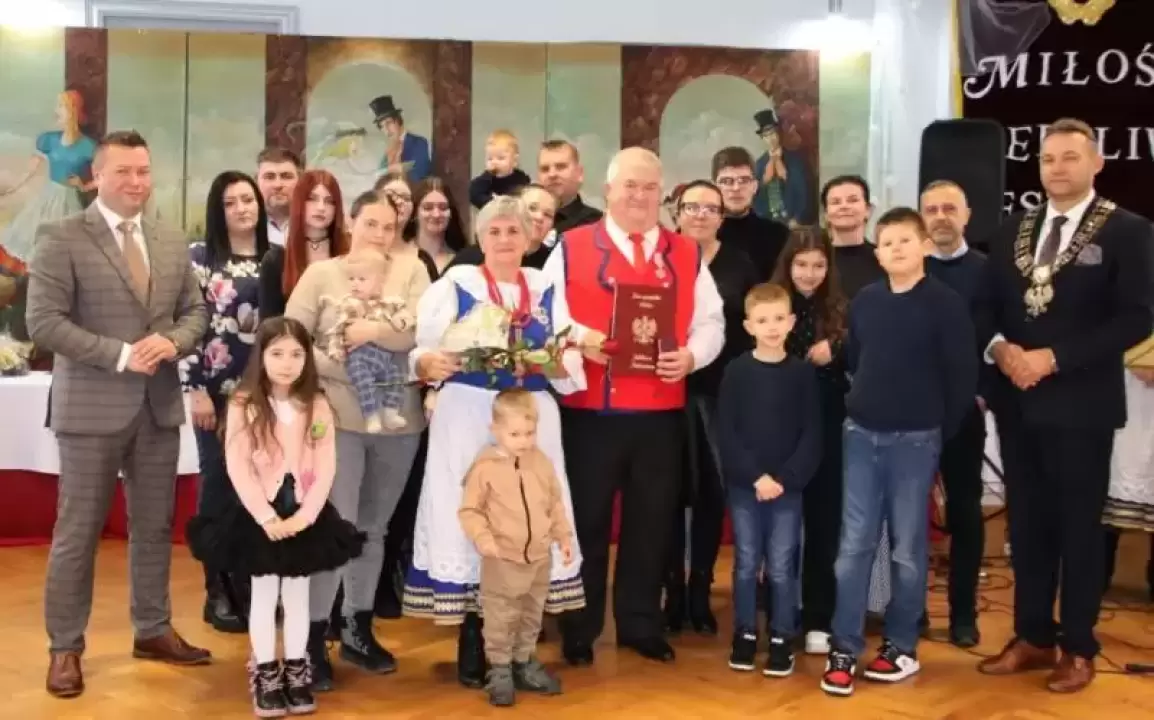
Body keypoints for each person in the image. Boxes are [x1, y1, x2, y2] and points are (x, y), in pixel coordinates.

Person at [25, 130, 211, 698]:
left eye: (144, 171)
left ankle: (152, 629)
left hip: (158, 408)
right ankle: (65, 647)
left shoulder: (170, 239)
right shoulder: (61, 236)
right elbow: (44, 323)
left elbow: (196, 312)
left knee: (153, 527)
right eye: (124, 171)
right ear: (98, 176)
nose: (136, 181)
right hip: (90, 409)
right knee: (77, 532)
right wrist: (122, 354)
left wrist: (173, 342)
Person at [975, 118, 1154, 693]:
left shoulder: (1128, 231)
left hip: (1082, 405)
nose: (1057, 168)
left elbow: (1137, 317)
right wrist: (1000, 350)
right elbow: (987, 305)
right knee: (1027, 527)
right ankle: (1032, 636)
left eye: (1071, 157)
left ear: (1096, 163)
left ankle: (1078, 646)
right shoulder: (1012, 229)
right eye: (1048, 158)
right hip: (1018, 401)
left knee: (1079, 530)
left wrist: (1054, 358)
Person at [544, 147, 726, 665]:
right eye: (630, 185)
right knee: (586, 522)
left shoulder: (685, 252)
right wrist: (582, 338)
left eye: (650, 187)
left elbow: (711, 321)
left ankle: (641, 623)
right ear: (608, 190)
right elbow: (546, 314)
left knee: (652, 522)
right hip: (589, 413)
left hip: (660, 413)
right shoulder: (572, 245)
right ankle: (578, 629)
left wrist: (692, 357)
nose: (640, 196)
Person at [404, 195, 586, 688]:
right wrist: (428, 363)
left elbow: (569, 357)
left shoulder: (545, 286)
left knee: (530, 512)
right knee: (474, 512)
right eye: (495, 231)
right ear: (480, 238)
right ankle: (474, 637)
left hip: (531, 416)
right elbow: (423, 351)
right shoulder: (456, 284)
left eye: (514, 230)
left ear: (529, 238)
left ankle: (521, 647)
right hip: (468, 414)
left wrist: (554, 362)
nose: (505, 239)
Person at [821, 207, 976, 697]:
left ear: (925, 245)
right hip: (861, 435)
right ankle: (844, 646)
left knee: (908, 549)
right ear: (878, 253)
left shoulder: (945, 303)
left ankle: (901, 646)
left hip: (916, 440)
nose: (895, 250)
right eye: (886, 243)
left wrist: (936, 431)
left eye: (905, 241)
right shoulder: (866, 301)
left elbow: (961, 376)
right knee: (853, 547)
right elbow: (858, 359)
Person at [186, 317, 366, 717]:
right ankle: (266, 672)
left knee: (298, 595)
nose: (287, 363)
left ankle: (297, 670)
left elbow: (325, 465)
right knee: (265, 595)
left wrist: (306, 516)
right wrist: (266, 517)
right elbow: (237, 464)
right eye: (277, 353)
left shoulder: (317, 404)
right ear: (261, 356)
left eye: (297, 354)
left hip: (303, 513)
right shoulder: (244, 403)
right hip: (258, 515)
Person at [287, 190, 429, 690]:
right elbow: (290, 338)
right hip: (337, 419)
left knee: (374, 528)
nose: (380, 235)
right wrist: (338, 367)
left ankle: (357, 627)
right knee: (337, 526)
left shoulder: (413, 271)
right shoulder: (321, 274)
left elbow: (420, 333)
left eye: (389, 227)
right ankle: (311, 638)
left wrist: (370, 332)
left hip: (399, 419)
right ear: (351, 223)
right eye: (371, 224)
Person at [662, 180, 757, 636]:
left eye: (710, 208)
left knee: (710, 495)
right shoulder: (659, 257)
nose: (700, 214)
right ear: (676, 212)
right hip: (665, 392)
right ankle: (672, 591)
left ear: (722, 217)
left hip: (723, 395)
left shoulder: (741, 264)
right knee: (667, 493)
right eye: (691, 207)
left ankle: (700, 589)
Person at [183, 170, 271, 634]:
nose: (242, 208)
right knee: (219, 488)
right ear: (218, 211)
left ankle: (249, 585)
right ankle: (217, 589)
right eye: (231, 202)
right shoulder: (200, 258)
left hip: (265, 397)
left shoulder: (275, 257)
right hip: (214, 398)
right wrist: (195, 388)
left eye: (248, 199)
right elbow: (185, 324)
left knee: (259, 489)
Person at [718, 283, 820, 676]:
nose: (772, 327)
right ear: (749, 326)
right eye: (763, 320)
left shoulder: (802, 374)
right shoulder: (737, 372)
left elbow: (812, 434)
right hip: (746, 486)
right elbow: (727, 433)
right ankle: (744, 633)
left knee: (781, 565)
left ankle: (781, 636)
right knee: (746, 563)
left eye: (779, 318)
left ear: (791, 322)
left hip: (786, 488)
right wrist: (755, 476)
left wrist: (786, 479)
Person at [459, 388, 576, 706]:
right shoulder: (484, 468)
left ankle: (523, 662)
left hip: (539, 558)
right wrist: (483, 539)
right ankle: (499, 669)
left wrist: (563, 536)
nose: (524, 441)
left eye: (529, 433)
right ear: (495, 429)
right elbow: (470, 511)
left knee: (531, 614)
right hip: (502, 559)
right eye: (514, 434)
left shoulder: (541, 462)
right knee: (501, 616)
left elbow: (554, 503)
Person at [771, 228, 849, 656]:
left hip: (827, 430)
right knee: (779, 528)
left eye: (819, 265)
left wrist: (838, 350)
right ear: (788, 265)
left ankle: (820, 616)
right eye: (801, 264)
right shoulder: (770, 307)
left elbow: (860, 364)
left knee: (824, 524)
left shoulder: (841, 310)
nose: (809, 273)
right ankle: (780, 614)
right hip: (779, 430)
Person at [920, 179, 988, 648]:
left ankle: (963, 613)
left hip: (964, 411)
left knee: (965, 511)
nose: (941, 217)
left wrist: (982, 394)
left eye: (950, 208)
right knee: (908, 514)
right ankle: (911, 609)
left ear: (967, 215)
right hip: (910, 411)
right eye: (932, 210)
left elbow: (1001, 333)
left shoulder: (988, 270)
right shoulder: (908, 267)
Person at [320, 250, 414, 433]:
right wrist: (337, 347)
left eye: (362, 279)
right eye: (351, 279)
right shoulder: (348, 304)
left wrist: (400, 321)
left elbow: (404, 317)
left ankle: (390, 411)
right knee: (362, 380)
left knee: (397, 375)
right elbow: (338, 328)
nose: (355, 284)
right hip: (359, 357)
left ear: (379, 283)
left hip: (384, 356)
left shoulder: (388, 303)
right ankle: (371, 415)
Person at [258, 170, 349, 319]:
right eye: (312, 199)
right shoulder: (276, 261)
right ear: (299, 202)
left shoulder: (348, 255)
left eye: (329, 201)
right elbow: (268, 324)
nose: (321, 207)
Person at [711, 146, 788, 282]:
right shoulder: (700, 236)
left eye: (744, 180)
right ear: (714, 187)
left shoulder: (779, 235)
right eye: (727, 181)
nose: (736, 188)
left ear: (755, 186)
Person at [536, 139, 602, 234]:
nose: (552, 174)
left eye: (560, 167)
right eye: (545, 169)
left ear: (579, 173)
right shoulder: (525, 221)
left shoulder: (595, 223)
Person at [469, 129, 532, 209]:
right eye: (490, 159)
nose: (494, 162)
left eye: (501, 158)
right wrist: (492, 203)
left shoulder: (522, 179)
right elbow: (473, 193)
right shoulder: (486, 180)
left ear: (514, 161)